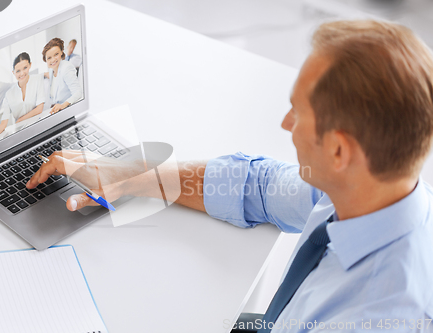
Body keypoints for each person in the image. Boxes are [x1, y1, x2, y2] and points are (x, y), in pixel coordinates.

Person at [27, 20, 433, 331]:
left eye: (298, 113)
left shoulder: (382, 313)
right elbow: (253, 186)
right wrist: (127, 174)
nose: (285, 123)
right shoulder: (365, 186)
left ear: (340, 150)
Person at [0, 52, 45, 124]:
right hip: (20, 129)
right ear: (13, 72)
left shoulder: (38, 79)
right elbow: (4, 120)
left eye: (25, 68)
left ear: (30, 65)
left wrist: (20, 120)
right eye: (18, 71)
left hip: (38, 124)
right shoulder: (9, 94)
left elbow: (39, 109)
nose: (22, 73)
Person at [42, 37, 82, 115]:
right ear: (46, 60)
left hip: (67, 111)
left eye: (56, 54)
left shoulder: (66, 67)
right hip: (56, 111)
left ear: (61, 52)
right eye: (49, 58)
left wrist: (63, 105)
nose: (53, 60)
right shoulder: (51, 70)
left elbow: (78, 92)